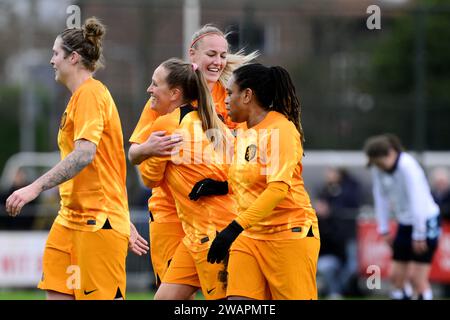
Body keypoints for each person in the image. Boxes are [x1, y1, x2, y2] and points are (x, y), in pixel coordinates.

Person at [5, 17, 131, 300]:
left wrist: (34, 187)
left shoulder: (91, 94)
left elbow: (85, 155)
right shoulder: (76, 98)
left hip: (98, 222)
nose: (51, 60)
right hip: (69, 220)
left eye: (55, 53)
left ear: (73, 58)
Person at [127, 24, 257, 291]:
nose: (218, 62)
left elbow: (248, 157)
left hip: (216, 214)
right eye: (211, 54)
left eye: (223, 55)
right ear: (193, 54)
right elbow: (137, 154)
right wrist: (148, 151)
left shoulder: (232, 96)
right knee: (171, 291)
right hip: (170, 214)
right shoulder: (167, 98)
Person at [193, 63, 321, 300]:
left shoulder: (281, 130)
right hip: (249, 238)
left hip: (288, 235)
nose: (227, 100)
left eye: (230, 93)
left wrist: (233, 228)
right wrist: (221, 186)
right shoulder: (243, 129)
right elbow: (249, 178)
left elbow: (277, 190)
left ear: (248, 95)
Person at [137, 58, 237, 300]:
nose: (149, 90)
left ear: (174, 93)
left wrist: (145, 152)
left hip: (213, 233)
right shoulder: (214, 123)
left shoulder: (167, 124)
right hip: (198, 233)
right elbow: (240, 173)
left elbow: (149, 178)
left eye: (154, 84)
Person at [364, 133, 441, 300]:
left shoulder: (408, 167)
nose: (378, 167)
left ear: (391, 153)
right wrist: (383, 229)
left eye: (380, 162)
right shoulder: (379, 169)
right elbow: (380, 199)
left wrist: (420, 234)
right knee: (396, 277)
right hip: (405, 223)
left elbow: (418, 200)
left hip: (425, 221)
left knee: (417, 279)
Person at [315, 167, 362, 298]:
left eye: (331, 173)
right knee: (325, 265)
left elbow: (352, 204)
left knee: (352, 267)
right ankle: (335, 291)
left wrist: (333, 210)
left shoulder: (348, 188)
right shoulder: (325, 191)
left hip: (348, 236)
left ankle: (343, 289)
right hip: (331, 252)